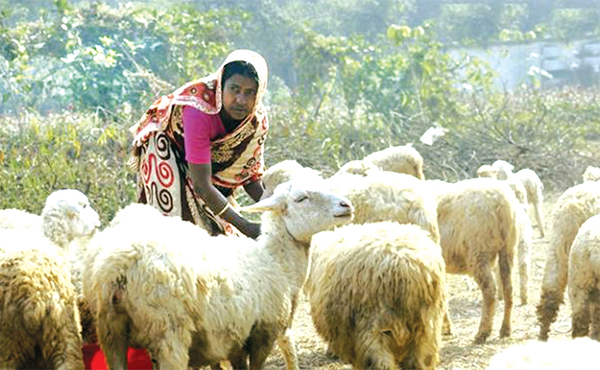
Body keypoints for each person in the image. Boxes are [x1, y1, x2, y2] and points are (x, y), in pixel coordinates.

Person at [128, 49, 269, 238]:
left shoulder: (255, 121)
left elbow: (250, 176)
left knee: (219, 235)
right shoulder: (199, 111)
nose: (240, 100)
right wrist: (247, 227)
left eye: (250, 92)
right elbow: (202, 185)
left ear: (259, 94)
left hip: (202, 167)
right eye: (234, 89)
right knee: (179, 229)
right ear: (221, 86)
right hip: (167, 148)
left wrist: (279, 212)